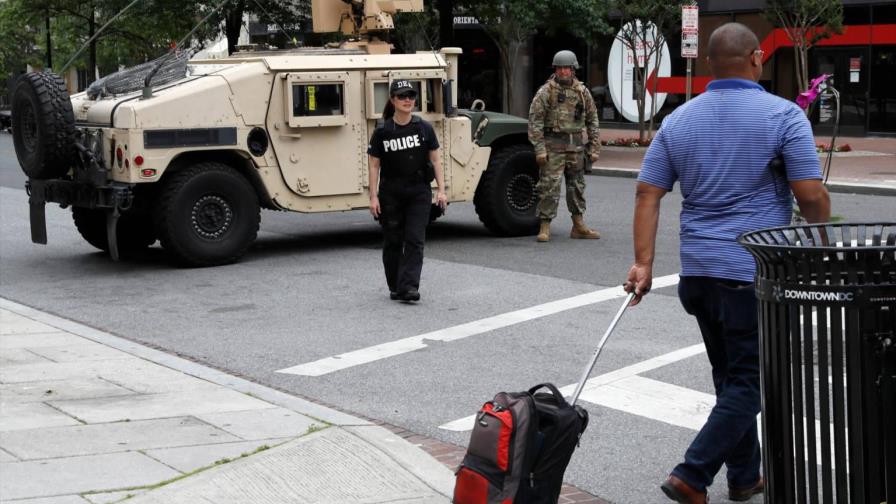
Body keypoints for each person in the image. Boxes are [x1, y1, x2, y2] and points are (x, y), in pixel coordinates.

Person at [623, 23, 831, 504]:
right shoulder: (782, 116)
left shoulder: (679, 120)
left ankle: (745, 476)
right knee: (750, 384)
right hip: (749, 272)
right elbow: (810, 192)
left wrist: (643, 263)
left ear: (711, 64)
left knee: (730, 378)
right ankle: (691, 475)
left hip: (698, 274)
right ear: (757, 58)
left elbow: (647, 193)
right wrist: (817, 235)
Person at [368, 80, 447, 303]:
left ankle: (409, 286)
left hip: (418, 192)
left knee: (415, 239)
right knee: (393, 240)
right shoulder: (383, 131)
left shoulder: (424, 128)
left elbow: (436, 160)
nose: (407, 100)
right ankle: (395, 285)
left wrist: (442, 190)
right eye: (402, 96)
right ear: (393, 100)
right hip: (391, 193)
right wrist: (373, 197)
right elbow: (374, 165)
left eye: (411, 96)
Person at [528, 50, 601, 243]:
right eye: (559, 68)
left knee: (576, 186)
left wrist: (594, 147)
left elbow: (592, 120)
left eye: (566, 68)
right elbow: (535, 122)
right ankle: (545, 226)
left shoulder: (582, 92)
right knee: (549, 186)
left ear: (573, 69)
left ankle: (578, 225)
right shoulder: (546, 92)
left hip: (575, 147)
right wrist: (540, 149)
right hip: (553, 146)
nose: (563, 71)